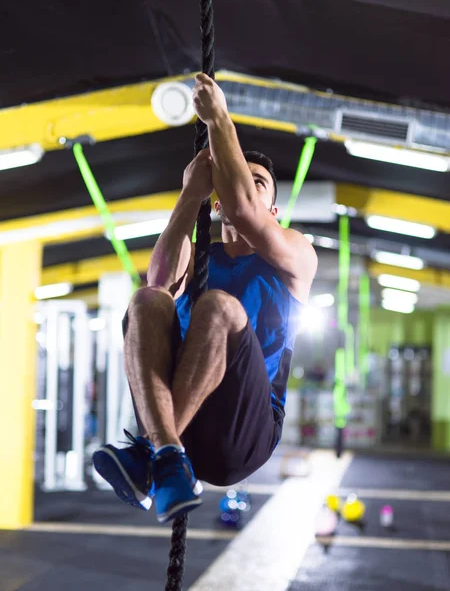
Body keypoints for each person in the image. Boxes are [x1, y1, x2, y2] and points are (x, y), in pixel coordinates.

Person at [93, 73, 318, 524]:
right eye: (239, 181)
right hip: (184, 429)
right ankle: (165, 457)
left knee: (218, 307)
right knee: (146, 302)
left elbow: (245, 212)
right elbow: (158, 279)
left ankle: (155, 451)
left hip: (242, 436)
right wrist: (190, 193)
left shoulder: (295, 254)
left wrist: (220, 120)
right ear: (215, 204)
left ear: (273, 211)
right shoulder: (200, 257)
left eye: (259, 183)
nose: (247, 187)